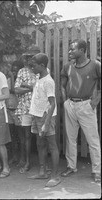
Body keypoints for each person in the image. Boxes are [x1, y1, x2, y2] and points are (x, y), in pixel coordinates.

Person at [60, 39, 101, 183]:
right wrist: (65, 101)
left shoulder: (95, 65)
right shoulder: (68, 66)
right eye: (69, 49)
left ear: (82, 50)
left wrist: (95, 102)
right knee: (70, 139)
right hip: (70, 104)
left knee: (93, 140)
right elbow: (63, 83)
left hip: (86, 105)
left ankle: (97, 171)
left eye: (73, 49)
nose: (70, 52)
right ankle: (71, 167)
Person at [27, 53, 61, 187]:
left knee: (52, 146)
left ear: (42, 66)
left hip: (46, 117)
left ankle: (55, 176)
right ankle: (43, 172)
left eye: (33, 65)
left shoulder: (48, 81)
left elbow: (53, 103)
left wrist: (46, 123)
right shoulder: (39, 77)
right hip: (36, 115)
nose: (31, 67)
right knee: (40, 143)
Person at [14, 45, 40, 174]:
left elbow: (42, 90)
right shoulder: (22, 71)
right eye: (28, 57)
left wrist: (26, 85)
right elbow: (16, 89)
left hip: (39, 108)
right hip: (25, 108)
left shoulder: (42, 70)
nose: (30, 59)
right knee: (27, 136)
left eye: (32, 57)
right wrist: (32, 88)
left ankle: (43, 164)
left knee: (41, 136)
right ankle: (28, 162)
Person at [5, 61, 24, 166]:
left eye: (16, 70)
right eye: (12, 70)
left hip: (18, 111)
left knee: (21, 136)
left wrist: (12, 77)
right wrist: (11, 78)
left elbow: (13, 90)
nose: (14, 72)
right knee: (12, 136)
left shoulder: (20, 82)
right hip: (9, 110)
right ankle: (14, 156)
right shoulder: (8, 80)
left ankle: (22, 158)